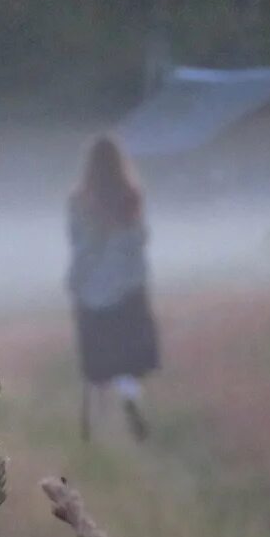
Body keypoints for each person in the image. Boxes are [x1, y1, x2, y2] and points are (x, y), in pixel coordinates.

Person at [67, 133, 159, 441]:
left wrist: (77, 283)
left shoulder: (79, 201)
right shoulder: (131, 197)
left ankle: (92, 423)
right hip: (127, 290)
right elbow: (139, 241)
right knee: (127, 359)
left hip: (91, 291)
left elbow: (78, 245)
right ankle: (130, 400)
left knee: (96, 362)